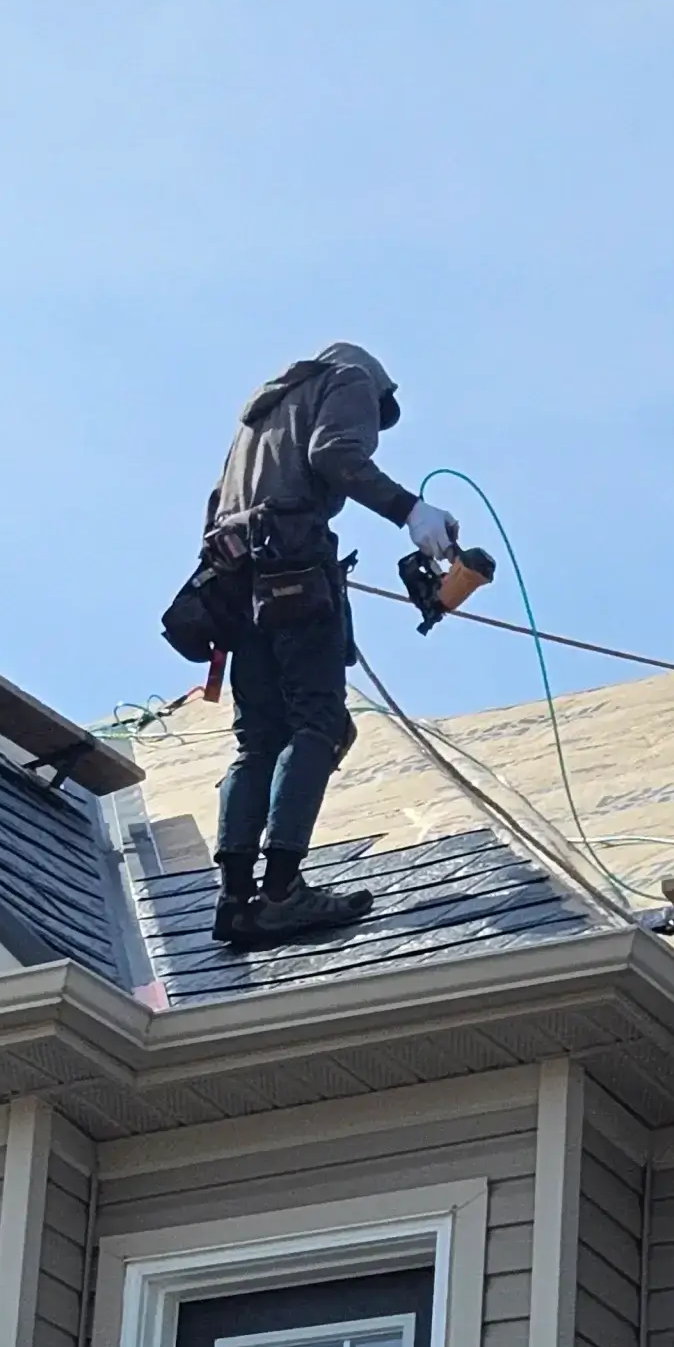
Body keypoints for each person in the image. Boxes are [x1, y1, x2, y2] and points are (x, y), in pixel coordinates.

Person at [203, 342, 457, 945]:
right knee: (318, 725)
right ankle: (282, 892)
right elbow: (334, 453)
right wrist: (409, 510)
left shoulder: (260, 414)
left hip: (237, 583)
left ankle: (235, 900)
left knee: (258, 739)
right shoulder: (349, 379)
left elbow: (217, 506)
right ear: (377, 388)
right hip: (293, 575)